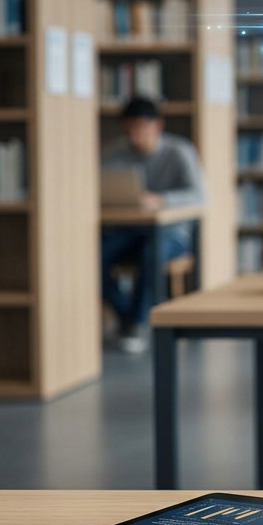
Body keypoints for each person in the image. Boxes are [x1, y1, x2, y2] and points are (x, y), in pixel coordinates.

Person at [100, 97, 205, 353]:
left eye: (141, 129)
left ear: (157, 125)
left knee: (152, 253)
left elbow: (200, 196)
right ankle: (127, 314)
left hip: (172, 233)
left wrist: (161, 200)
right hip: (128, 230)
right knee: (92, 256)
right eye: (129, 130)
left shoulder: (179, 151)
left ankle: (137, 324)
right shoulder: (113, 153)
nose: (135, 137)